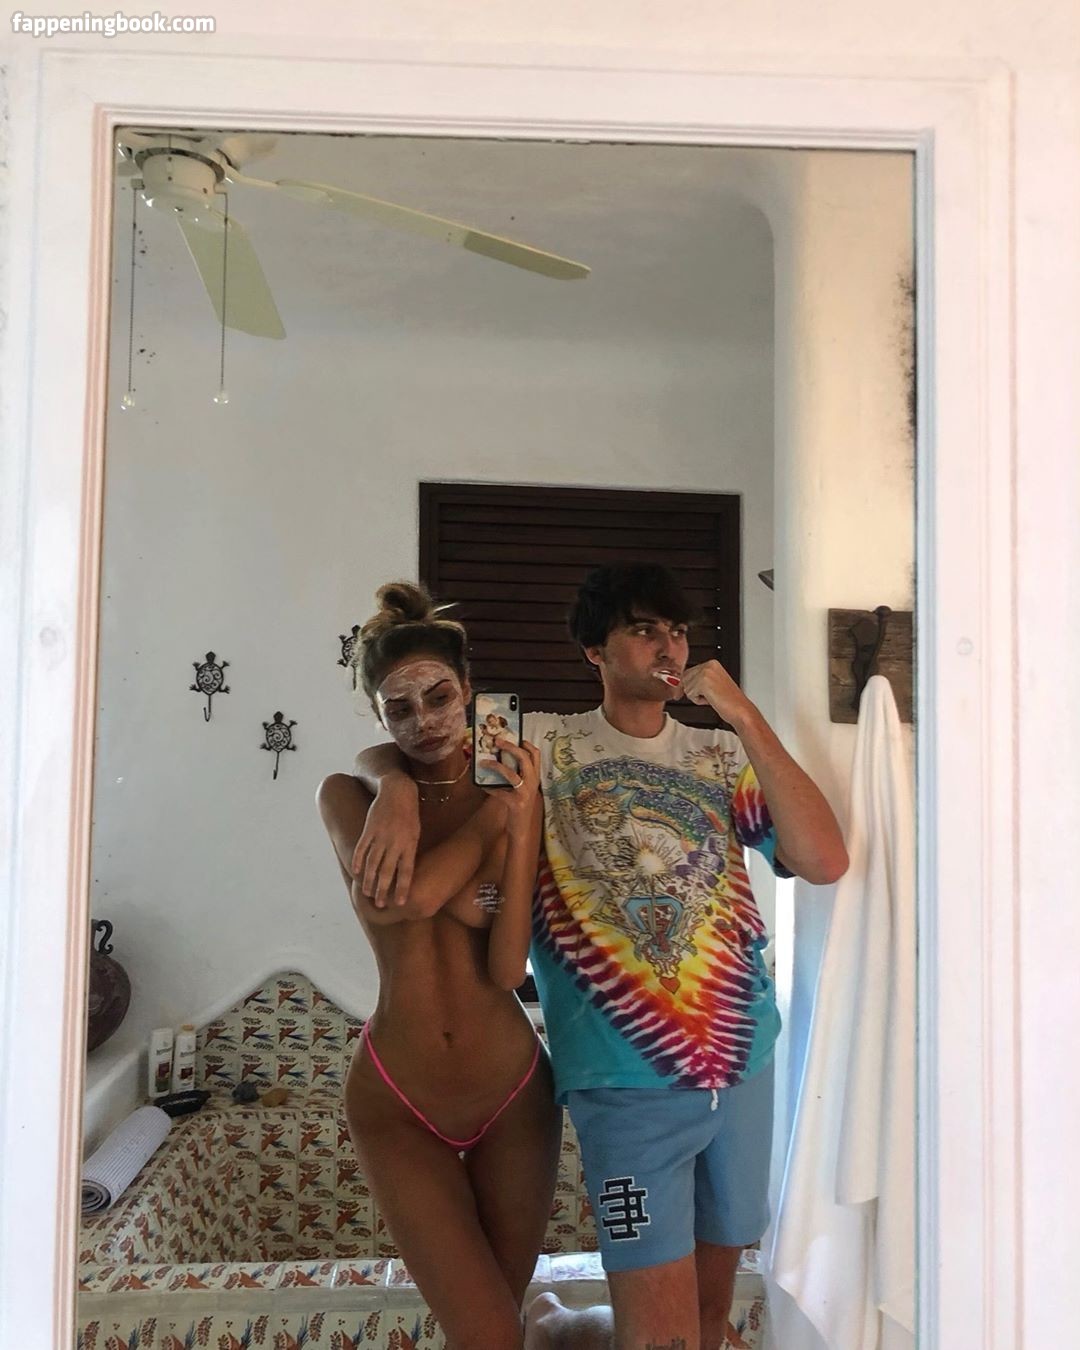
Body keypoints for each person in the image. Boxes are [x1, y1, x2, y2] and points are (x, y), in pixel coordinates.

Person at [352, 564, 848, 1350]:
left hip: (743, 1063)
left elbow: (823, 860)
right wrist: (391, 789)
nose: (668, 646)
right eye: (644, 630)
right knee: (660, 1340)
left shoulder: (722, 753)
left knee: (708, 1321)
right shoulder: (533, 740)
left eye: (677, 630)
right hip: (621, 1082)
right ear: (595, 651)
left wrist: (745, 715)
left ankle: (561, 1327)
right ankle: (563, 1327)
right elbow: (413, 739)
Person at [317, 581, 560, 1350]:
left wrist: (512, 814)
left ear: (469, 690)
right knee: (489, 1337)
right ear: (378, 717)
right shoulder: (347, 797)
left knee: (492, 1334)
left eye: (440, 697)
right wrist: (402, 787)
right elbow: (406, 901)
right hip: (399, 1103)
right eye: (398, 708)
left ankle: (549, 1320)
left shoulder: (514, 791)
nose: (423, 720)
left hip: (514, 1096)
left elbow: (509, 966)